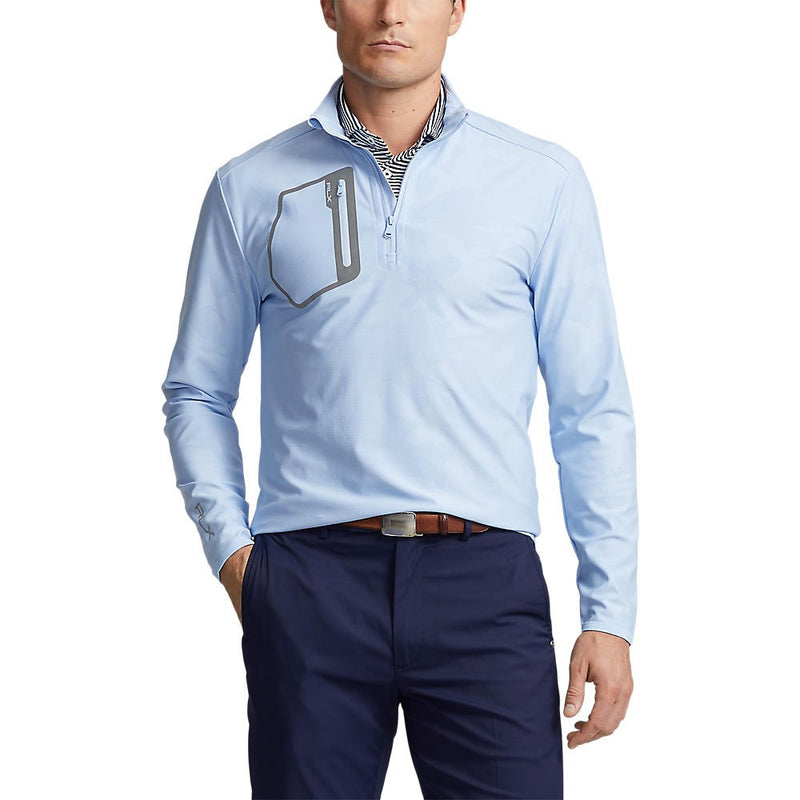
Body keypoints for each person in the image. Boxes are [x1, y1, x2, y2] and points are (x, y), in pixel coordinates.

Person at [160, 1, 638, 797]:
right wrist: (238, 560)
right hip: (309, 581)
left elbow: (590, 406)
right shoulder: (249, 186)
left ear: (457, 8)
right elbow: (197, 391)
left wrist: (609, 612)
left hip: (485, 581)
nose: (390, 13)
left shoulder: (541, 181)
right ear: (328, 6)